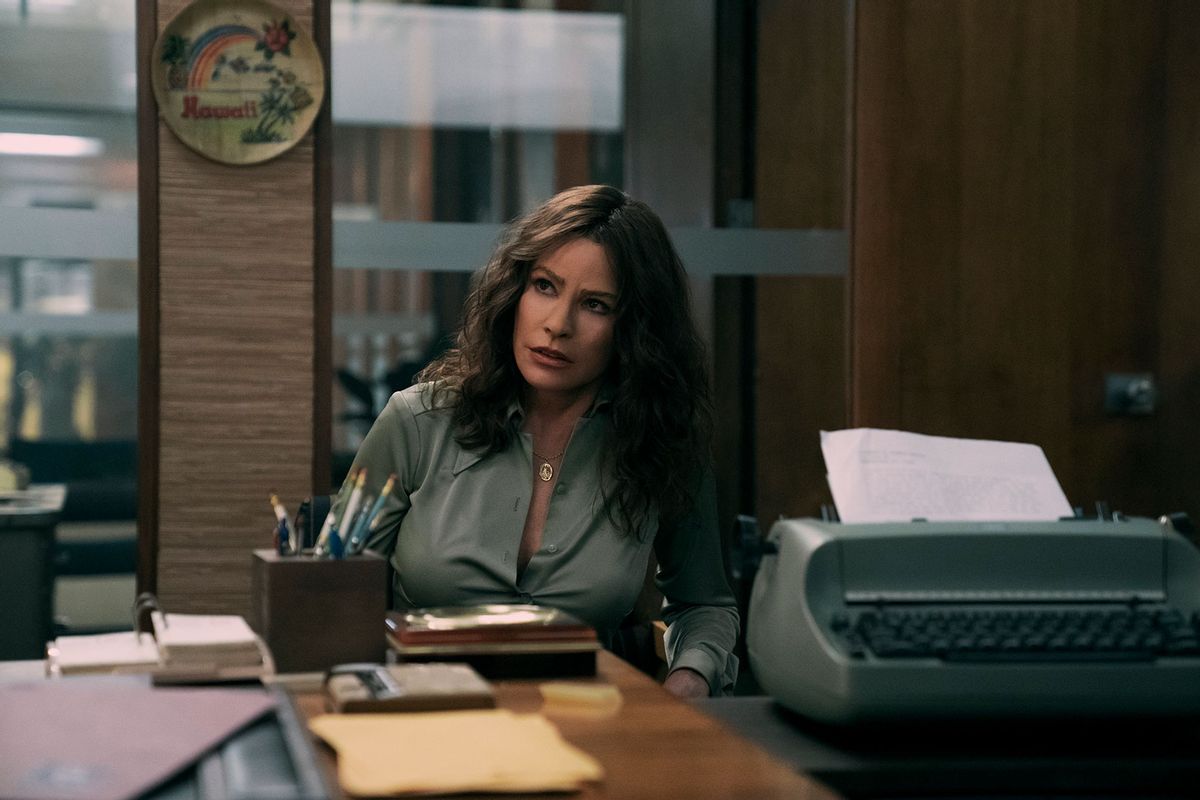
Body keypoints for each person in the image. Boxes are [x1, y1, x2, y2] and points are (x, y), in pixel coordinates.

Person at [333, 185, 738, 697]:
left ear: (635, 329)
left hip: (587, 718)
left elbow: (704, 605)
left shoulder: (663, 442)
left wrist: (689, 679)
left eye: (595, 305)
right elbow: (332, 598)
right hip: (426, 712)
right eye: (545, 286)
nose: (557, 325)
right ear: (514, 291)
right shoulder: (417, 422)